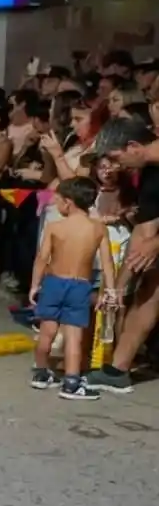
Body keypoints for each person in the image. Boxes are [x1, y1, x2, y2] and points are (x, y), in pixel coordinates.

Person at [87, 116, 159, 393]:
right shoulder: (150, 174)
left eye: (117, 158)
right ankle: (118, 370)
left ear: (133, 146)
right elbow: (144, 233)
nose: (116, 167)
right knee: (150, 287)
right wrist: (116, 289)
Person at [29, 177, 116, 400]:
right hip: (80, 285)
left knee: (47, 332)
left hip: (53, 283)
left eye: (57, 200)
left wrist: (34, 285)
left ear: (68, 202)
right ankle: (71, 383)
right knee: (74, 337)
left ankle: (40, 373)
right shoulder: (98, 229)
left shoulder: (55, 227)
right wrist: (111, 290)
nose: (56, 205)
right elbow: (107, 263)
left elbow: (42, 258)